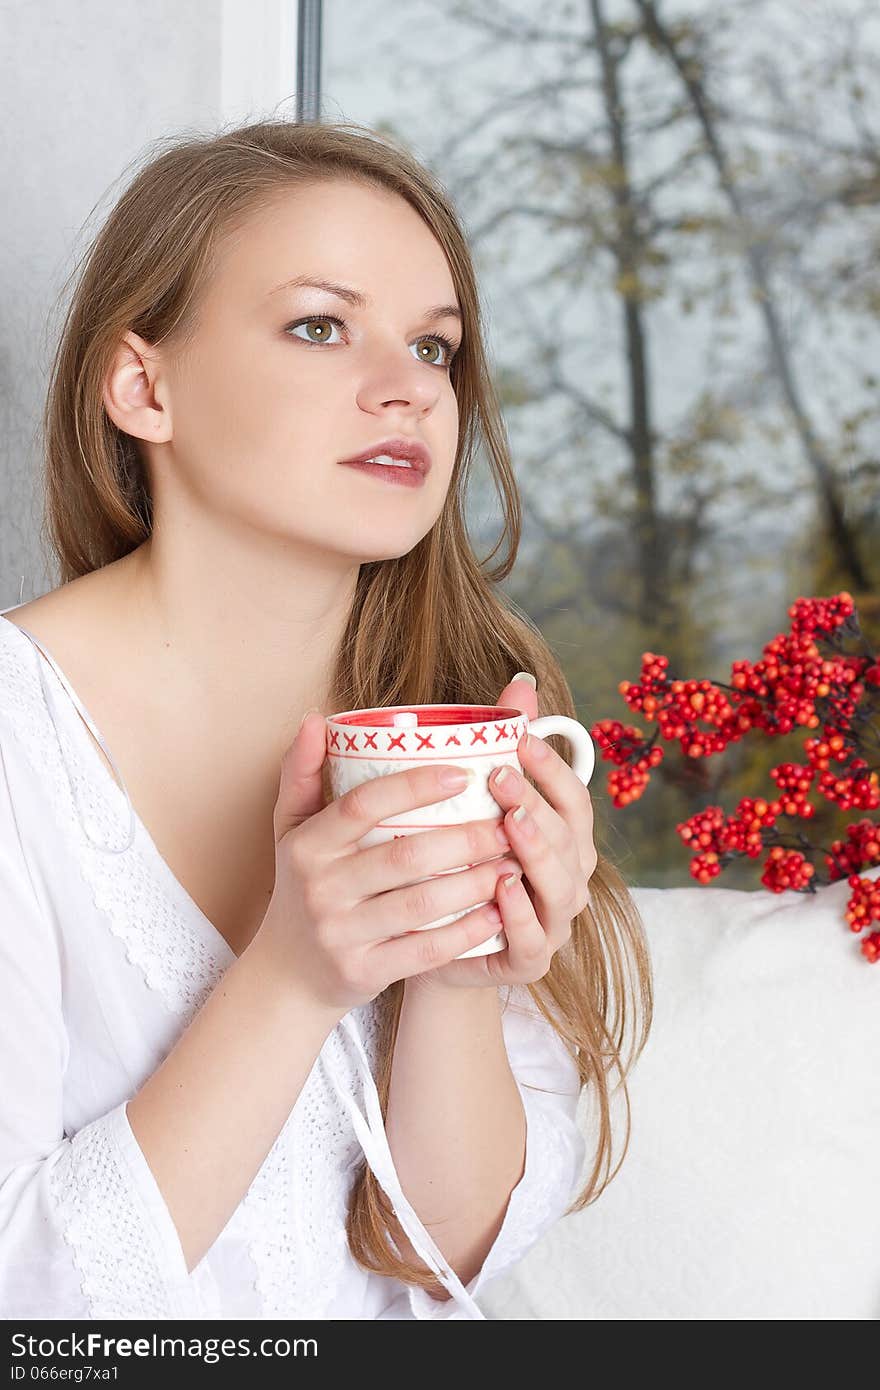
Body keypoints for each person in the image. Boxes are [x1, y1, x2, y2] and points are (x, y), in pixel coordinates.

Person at [0, 119, 653, 1320]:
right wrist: (294, 978)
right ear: (145, 385)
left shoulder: (464, 734)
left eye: (435, 346)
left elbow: (441, 1258)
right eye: (319, 324)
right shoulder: (13, 739)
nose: (409, 386)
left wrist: (455, 973)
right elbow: (32, 1309)